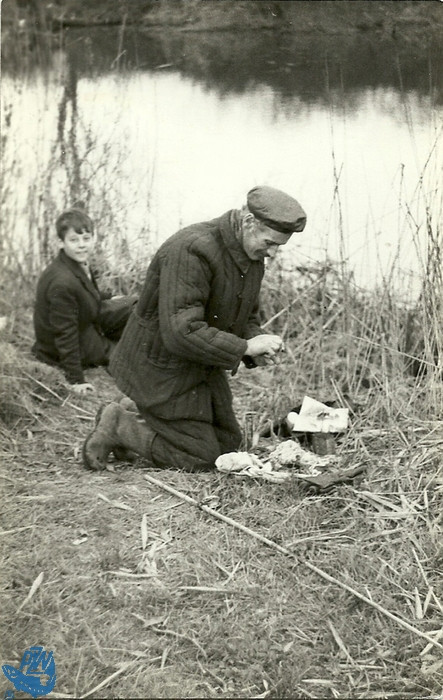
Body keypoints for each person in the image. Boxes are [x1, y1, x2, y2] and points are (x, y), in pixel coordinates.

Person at [82, 186, 307, 471]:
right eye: (270, 242)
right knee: (201, 456)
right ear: (249, 222)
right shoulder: (192, 250)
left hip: (198, 364)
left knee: (228, 444)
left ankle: (134, 408)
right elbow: (182, 331)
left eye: (278, 246)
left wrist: (255, 341)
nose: (272, 253)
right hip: (158, 367)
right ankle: (119, 424)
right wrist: (244, 347)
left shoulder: (251, 257)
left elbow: (245, 317)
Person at [32, 207, 137, 395]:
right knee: (129, 354)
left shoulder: (76, 262)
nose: (82, 245)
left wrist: (111, 298)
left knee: (136, 305)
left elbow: (85, 292)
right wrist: (75, 380)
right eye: (74, 240)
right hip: (75, 340)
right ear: (60, 242)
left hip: (86, 317)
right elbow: (65, 333)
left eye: (86, 239)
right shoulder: (61, 282)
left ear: (93, 238)